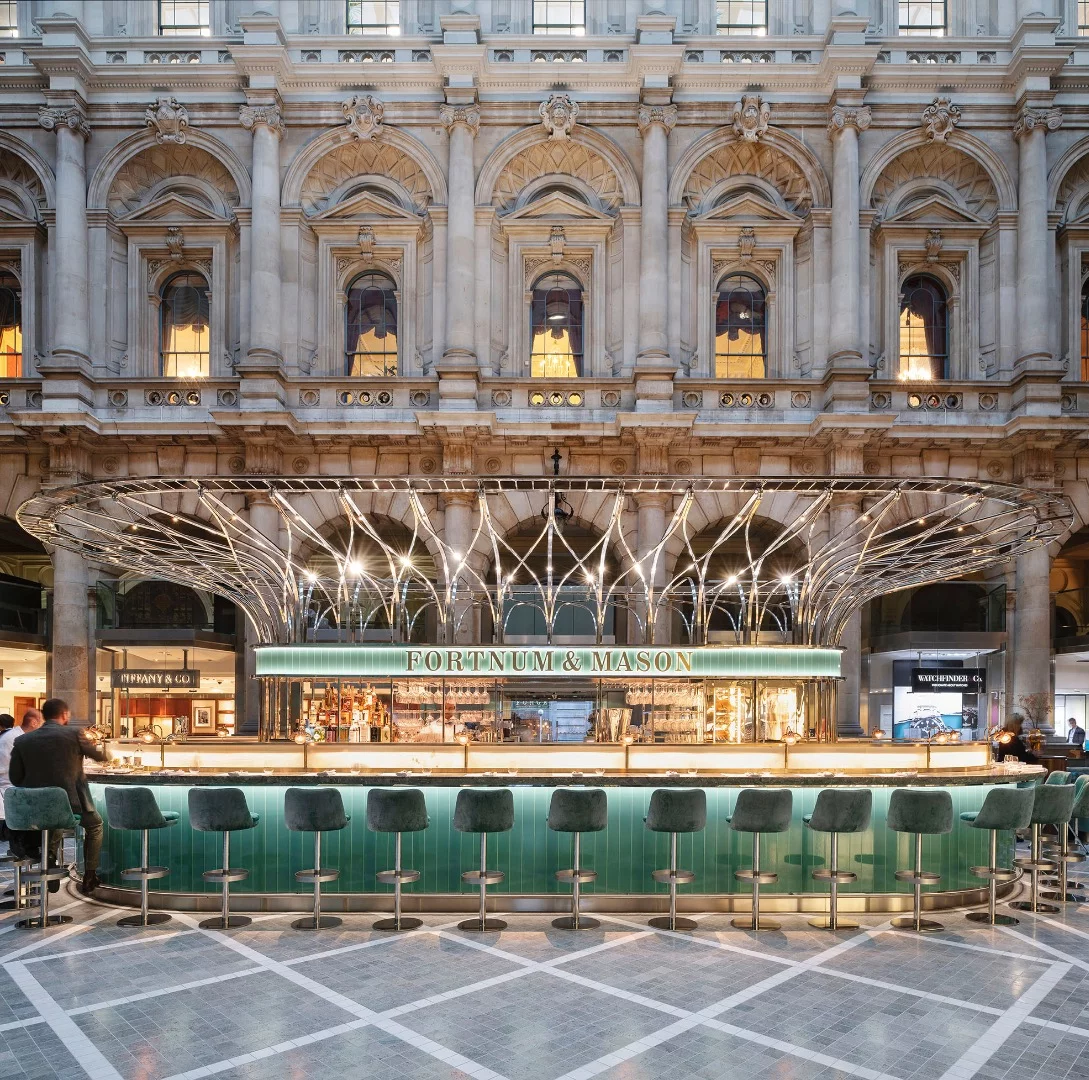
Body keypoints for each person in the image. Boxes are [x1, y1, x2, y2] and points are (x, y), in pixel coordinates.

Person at [8, 698, 108, 895]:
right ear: (65, 715)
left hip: (34, 808)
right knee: (95, 825)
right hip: (71, 804)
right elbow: (100, 757)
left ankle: (50, 857)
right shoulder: (74, 734)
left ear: (44, 716)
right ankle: (89, 875)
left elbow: (15, 777)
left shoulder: (22, 741)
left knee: (52, 822)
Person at [0, 709, 42, 842]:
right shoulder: (14, 738)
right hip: (11, 792)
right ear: (34, 723)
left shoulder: (19, 736)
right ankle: (35, 850)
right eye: (43, 723)